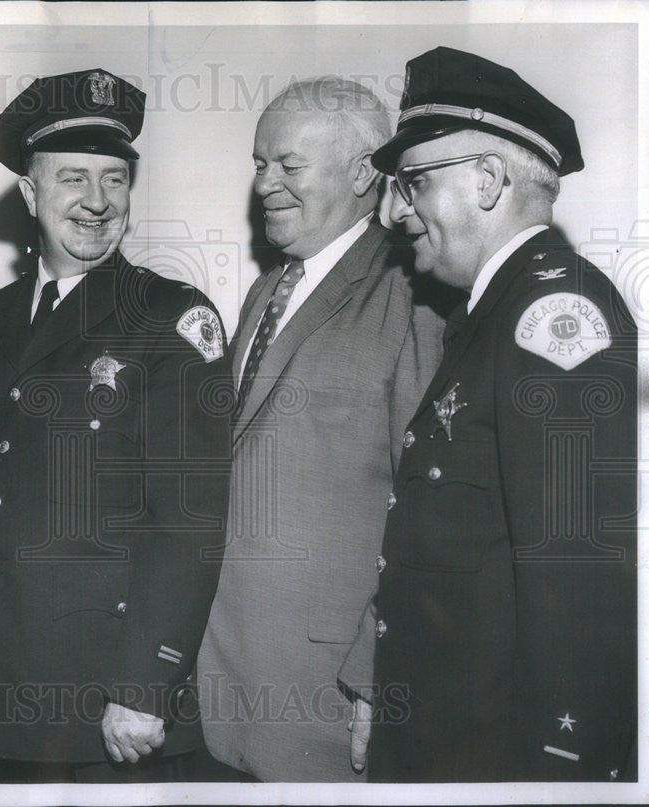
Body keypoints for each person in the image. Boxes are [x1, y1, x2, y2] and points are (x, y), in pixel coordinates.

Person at [344, 46, 638, 782]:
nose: (395, 211)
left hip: (502, 760)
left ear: (487, 181)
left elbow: (575, 577)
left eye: (413, 183)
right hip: (448, 746)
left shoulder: (553, 316)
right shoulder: (487, 317)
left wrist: (561, 771)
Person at [0, 68, 232, 783]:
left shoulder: (171, 317)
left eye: (115, 179)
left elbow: (190, 517)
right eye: (73, 178)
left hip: (105, 699)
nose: (97, 202)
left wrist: (144, 684)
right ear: (31, 192)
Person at [194, 77, 446, 782]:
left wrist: (376, 673)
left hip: (326, 689)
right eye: (258, 163)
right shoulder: (266, 288)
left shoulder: (412, 292)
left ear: (364, 170)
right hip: (224, 676)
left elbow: (428, 510)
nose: (265, 183)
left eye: (287, 165)